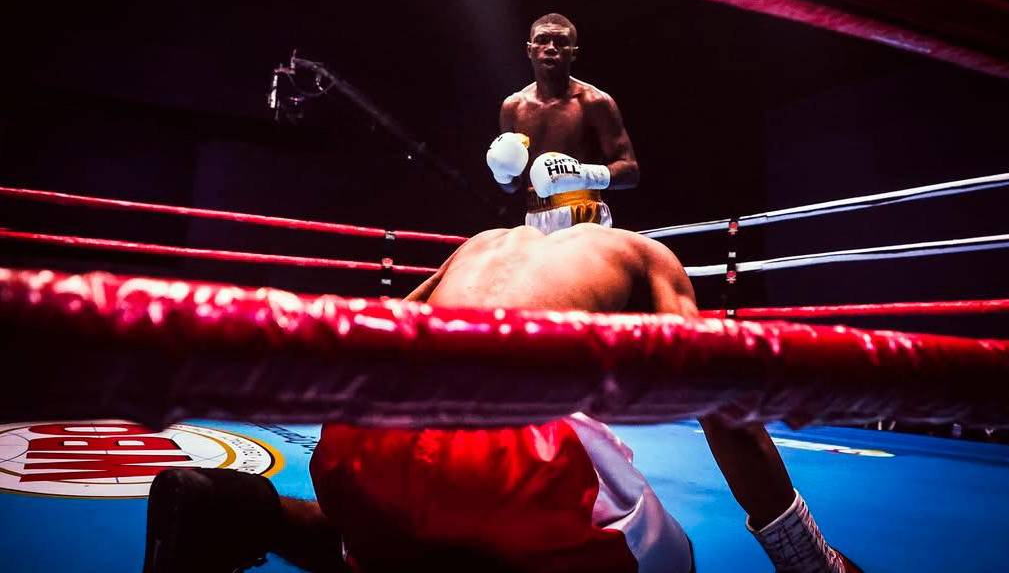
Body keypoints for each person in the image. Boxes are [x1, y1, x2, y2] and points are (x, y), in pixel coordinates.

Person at [143, 225, 860, 573]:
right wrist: (811, 561)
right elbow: (725, 408)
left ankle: (237, 508)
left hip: (368, 426)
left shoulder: (480, 245)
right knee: (672, 563)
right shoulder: (647, 256)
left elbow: (375, 334)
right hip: (509, 447)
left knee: (398, 533)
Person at [486, 13, 639, 234]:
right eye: (542, 40)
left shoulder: (594, 102)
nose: (550, 47)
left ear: (573, 53)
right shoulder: (513, 107)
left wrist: (578, 174)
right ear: (529, 50)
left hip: (585, 214)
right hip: (535, 218)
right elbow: (511, 186)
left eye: (560, 42)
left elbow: (630, 171)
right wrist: (501, 173)